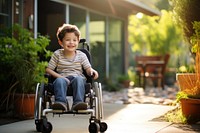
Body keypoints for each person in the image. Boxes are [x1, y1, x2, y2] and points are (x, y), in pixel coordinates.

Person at [46, 24, 99, 111]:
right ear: (60, 42)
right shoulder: (57, 54)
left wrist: (92, 72)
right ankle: (60, 103)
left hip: (77, 78)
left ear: (78, 41)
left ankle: (78, 103)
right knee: (59, 81)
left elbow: (88, 69)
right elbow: (48, 70)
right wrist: (61, 77)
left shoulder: (82, 55)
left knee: (78, 79)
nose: (71, 42)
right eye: (67, 40)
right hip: (62, 78)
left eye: (74, 40)